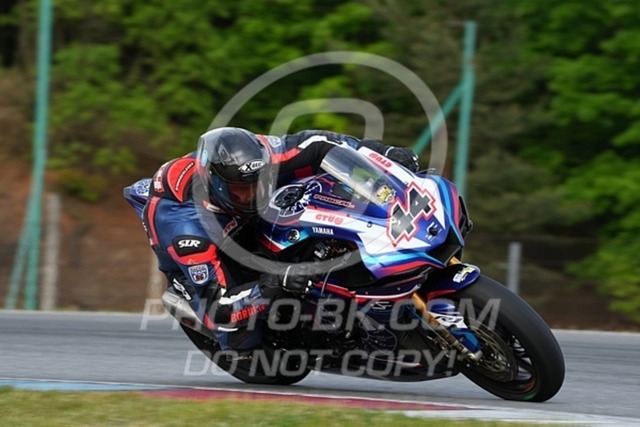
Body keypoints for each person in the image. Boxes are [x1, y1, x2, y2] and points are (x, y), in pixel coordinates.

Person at [128, 127, 419, 351]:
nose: (255, 195)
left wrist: (383, 153)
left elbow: (322, 144)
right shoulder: (185, 230)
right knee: (240, 338)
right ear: (214, 185)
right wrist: (272, 284)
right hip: (203, 239)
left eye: (261, 183)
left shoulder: (265, 155)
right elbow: (220, 310)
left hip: (236, 211)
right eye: (243, 191)